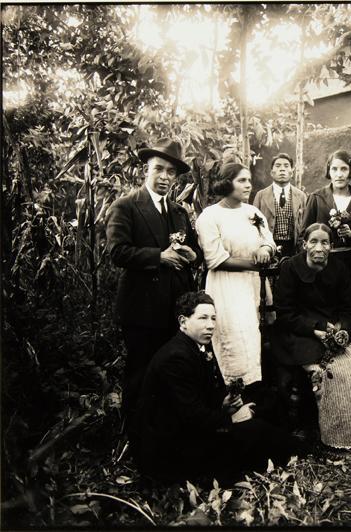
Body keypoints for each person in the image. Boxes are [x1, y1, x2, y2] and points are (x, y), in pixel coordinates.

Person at [136, 291, 307, 483]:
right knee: (255, 430)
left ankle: (293, 449)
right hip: (175, 448)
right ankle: (298, 452)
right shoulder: (175, 357)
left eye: (213, 318)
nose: (210, 325)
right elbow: (189, 416)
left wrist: (224, 404)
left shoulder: (197, 344)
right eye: (202, 318)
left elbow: (201, 396)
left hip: (193, 428)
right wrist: (232, 418)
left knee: (264, 403)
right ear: (183, 321)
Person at [106, 138, 202, 442]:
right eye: (158, 169)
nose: (164, 177)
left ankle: (165, 436)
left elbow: (194, 249)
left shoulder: (178, 212)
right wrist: (158, 257)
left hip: (174, 308)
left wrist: (191, 255)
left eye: (171, 172)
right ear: (146, 170)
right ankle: (134, 439)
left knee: (172, 372)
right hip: (142, 309)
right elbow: (117, 252)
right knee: (140, 372)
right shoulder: (126, 206)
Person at [273, 223, 351, 448]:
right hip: (300, 333)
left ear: (331, 246)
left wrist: (341, 327)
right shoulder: (291, 268)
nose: (319, 247)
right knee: (330, 371)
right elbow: (285, 314)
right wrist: (315, 328)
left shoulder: (338, 268)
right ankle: (337, 432)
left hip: (334, 331)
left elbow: (349, 309)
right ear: (304, 244)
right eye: (314, 242)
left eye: (325, 242)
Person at [195, 162, 276, 394]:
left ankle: (258, 397)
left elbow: (268, 239)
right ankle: (234, 397)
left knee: (256, 338)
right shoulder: (210, 216)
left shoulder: (253, 212)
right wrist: (255, 264)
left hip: (254, 284)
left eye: (249, 180)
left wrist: (265, 251)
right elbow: (215, 259)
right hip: (227, 286)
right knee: (235, 338)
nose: (248, 185)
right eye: (242, 180)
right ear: (226, 183)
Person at [302, 150, 351, 294]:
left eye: (344, 169)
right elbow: (303, 235)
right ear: (329, 172)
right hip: (321, 265)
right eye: (334, 169)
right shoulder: (317, 198)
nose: (339, 174)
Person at [252, 153, 307, 258]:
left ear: (292, 172)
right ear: (272, 173)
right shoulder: (261, 195)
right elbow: (254, 225)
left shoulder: (301, 196)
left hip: (293, 248)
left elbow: (306, 225)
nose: (282, 169)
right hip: (267, 248)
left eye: (286, 166)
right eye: (278, 166)